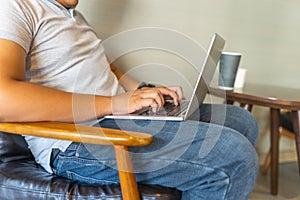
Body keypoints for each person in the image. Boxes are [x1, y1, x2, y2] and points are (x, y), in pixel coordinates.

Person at [0, 0, 259, 199]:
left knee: (242, 120)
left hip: (117, 116)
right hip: (78, 141)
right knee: (233, 154)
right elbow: (4, 97)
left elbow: (106, 69)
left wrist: (144, 91)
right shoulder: (17, 7)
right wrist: (116, 103)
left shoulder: (73, 17)